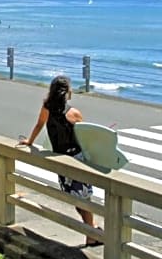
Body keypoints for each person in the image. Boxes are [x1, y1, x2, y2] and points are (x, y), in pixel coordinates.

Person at [18, 75, 102, 246]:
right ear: (67, 92)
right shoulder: (74, 113)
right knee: (84, 199)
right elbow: (85, 139)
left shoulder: (46, 107)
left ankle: (92, 230)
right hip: (76, 160)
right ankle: (92, 234)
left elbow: (39, 124)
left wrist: (30, 142)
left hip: (61, 160)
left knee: (77, 199)